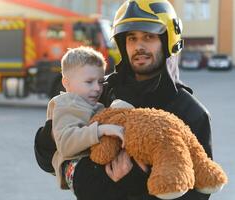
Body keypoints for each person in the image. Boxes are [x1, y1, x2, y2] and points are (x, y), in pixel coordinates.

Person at [34, 0, 212, 199]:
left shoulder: (190, 111)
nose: (139, 46)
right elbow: (45, 157)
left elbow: (197, 193)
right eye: (131, 38)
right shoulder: (102, 90)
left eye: (149, 36)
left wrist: (128, 183)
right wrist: (56, 134)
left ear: (168, 40)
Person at [46, 46, 125, 190]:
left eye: (101, 82)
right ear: (66, 83)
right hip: (71, 165)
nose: (97, 88)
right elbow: (65, 144)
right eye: (89, 82)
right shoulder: (66, 105)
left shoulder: (92, 104)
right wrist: (100, 130)